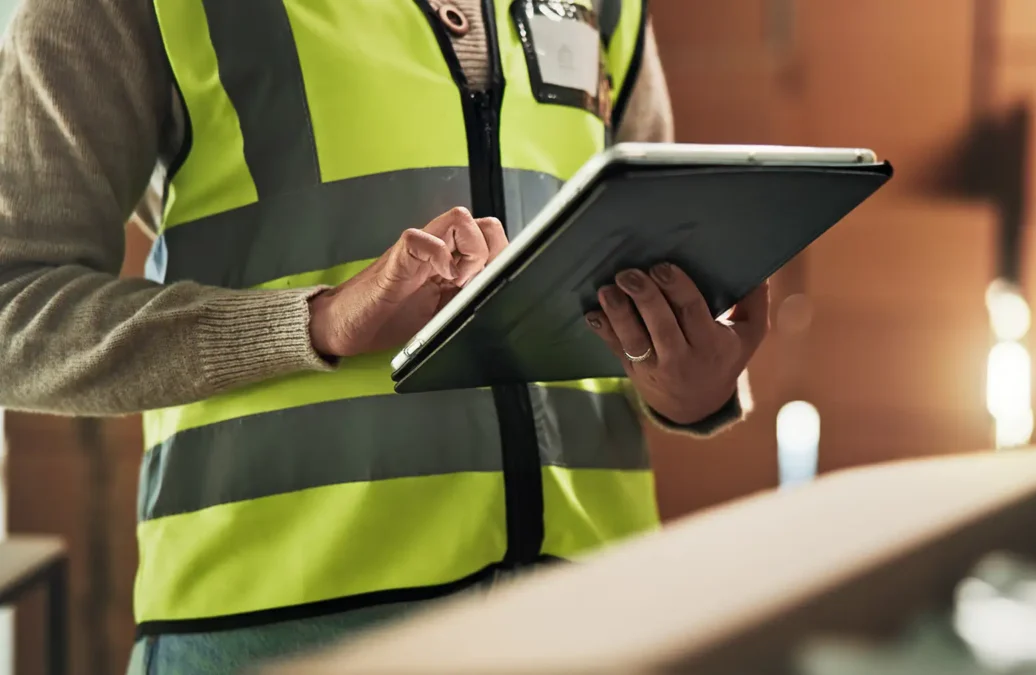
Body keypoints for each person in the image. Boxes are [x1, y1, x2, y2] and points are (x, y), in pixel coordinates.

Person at [0, 0, 769, 672]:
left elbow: (640, 248)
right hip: (277, 630)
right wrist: (313, 320)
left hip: (591, 614)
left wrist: (688, 389)